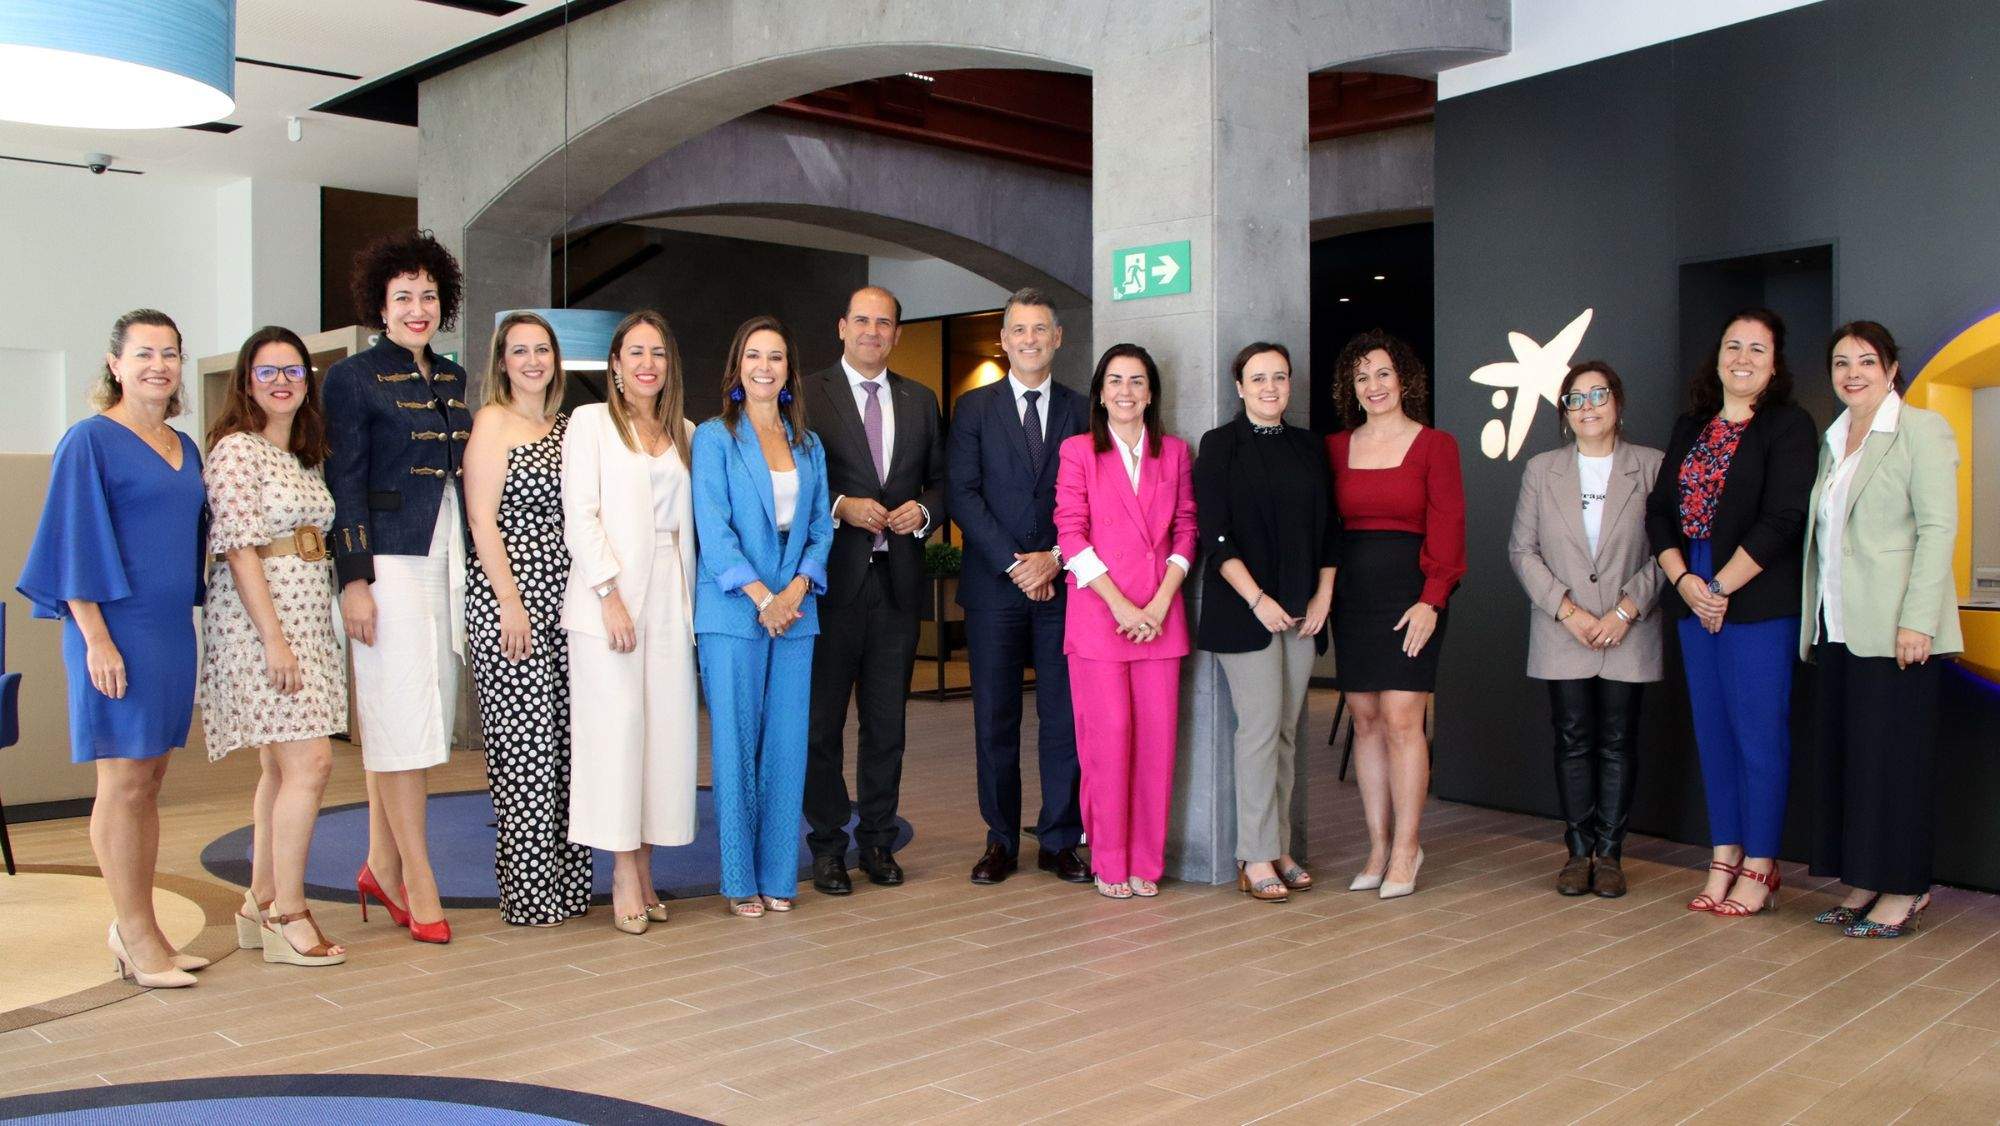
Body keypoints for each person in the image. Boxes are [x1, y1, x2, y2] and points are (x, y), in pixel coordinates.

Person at [18, 309, 208, 987]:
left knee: (149, 781)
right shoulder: (90, 440)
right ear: (115, 365)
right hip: (112, 631)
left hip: (167, 632)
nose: (159, 364)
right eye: (144, 353)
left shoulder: (184, 446)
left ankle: (144, 926)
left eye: (171, 354)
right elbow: (71, 544)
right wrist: (96, 638)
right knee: (122, 781)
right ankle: (132, 932)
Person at [324, 230, 473, 944]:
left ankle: (380, 862)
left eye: (429, 296)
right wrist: (353, 581)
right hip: (386, 567)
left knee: (415, 720)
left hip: (444, 559)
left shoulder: (452, 377)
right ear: (379, 306)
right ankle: (419, 878)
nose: (418, 308)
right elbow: (343, 486)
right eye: (404, 297)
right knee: (403, 727)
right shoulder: (351, 380)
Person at [1645, 307, 1817, 918]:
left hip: (1755, 599)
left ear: (1775, 364)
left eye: (1757, 349)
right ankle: (1723, 856)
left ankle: (1762, 866)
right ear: (1717, 356)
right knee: (1713, 735)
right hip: (1693, 591)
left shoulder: (1789, 427)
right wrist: (1685, 580)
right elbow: (1659, 511)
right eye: (1733, 345)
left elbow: (1783, 519)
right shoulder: (1691, 424)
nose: (1742, 358)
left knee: (1758, 737)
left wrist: (1717, 586)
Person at [1802, 322, 1961, 938]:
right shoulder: (1835, 437)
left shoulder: (1920, 429)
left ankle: (1907, 888)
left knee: (1897, 763)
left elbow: (1937, 529)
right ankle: (1867, 879)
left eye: (1867, 361)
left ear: (1892, 369)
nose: (1853, 373)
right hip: (1839, 626)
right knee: (1856, 762)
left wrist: (1918, 619)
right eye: (1841, 362)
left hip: (1899, 631)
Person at [201, 326, 348, 967]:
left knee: (279, 769)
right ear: (246, 380)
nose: (283, 380)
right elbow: (239, 548)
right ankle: (291, 912)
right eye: (268, 371)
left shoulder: (302, 454)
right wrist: (274, 642)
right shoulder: (237, 450)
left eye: (294, 370)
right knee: (311, 765)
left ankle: (258, 900)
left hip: (309, 618)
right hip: (264, 624)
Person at [802, 286, 946, 895]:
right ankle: (829, 847)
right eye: (861, 320)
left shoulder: (920, 400)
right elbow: (797, 477)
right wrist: (839, 505)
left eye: (883, 322)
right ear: (841, 327)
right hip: (833, 583)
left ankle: (879, 843)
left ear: (896, 334)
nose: (872, 331)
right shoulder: (808, 392)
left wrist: (925, 512)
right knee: (822, 726)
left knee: (887, 724)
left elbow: (941, 482)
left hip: (897, 584)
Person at [561, 310, 698, 934]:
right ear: (615, 364)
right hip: (608, 594)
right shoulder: (590, 424)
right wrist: (608, 593)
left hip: (672, 589)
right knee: (616, 733)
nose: (647, 364)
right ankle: (619, 870)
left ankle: (644, 868)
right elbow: (579, 515)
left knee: (662, 736)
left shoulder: (686, 433)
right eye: (635, 352)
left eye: (659, 354)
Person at [692, 315, 834, 917]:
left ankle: (779, 873)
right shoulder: (713, 437)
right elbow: (714, 530)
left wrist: (796, 589)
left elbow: (822, 525)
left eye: (775, 358)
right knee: (737, 743)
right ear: (737, 366)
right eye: (754, 356)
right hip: (733, 611)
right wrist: (762, 598)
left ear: (788, 372)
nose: (764, 367)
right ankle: (737, 878)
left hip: (796, 611)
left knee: (786, 746)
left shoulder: (809, 443)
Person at [948, 287, 1090, 886]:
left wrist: (1055, 558)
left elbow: (1093, 497)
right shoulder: (974, 409)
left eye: (1040, 330)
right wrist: (1016, 562)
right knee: (995, 721)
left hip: (1064, 587)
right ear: (1004, 340)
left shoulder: (1084, 410)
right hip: (994, 590)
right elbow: (963, 495)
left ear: (1057, 338)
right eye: (1019, 331)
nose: (1030, 340)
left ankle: (1059, 839)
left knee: (1064, 720)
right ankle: (1000, 839)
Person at [1507, 361, 1664, 898]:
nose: (1589, 406)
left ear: (1618, 404)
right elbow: (1522, 551)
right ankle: (1577, 853)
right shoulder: (1541, 469)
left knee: (1619, 741)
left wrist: (1625, 611)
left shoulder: (1652, 466)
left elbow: (1670, 552)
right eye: (1576, 399)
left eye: (1599, 395)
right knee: (1572, 739)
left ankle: (1612, 855)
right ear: (1564, 413)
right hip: (1562, 629)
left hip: (1630, 629)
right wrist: (1567, 610)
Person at [1194, 342, 1336, 904]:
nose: (1270, 387)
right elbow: (1215, 532)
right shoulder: (1220, 445)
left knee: (1284, 731)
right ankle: (1253, 854)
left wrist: (1323, 596)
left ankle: (1276, 844)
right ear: (1239, 387)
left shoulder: (1308, 447)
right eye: (1259, 378)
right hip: (1243, 609)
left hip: (1303, 609)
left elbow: (1331, 529)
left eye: (1280, 377)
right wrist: (1257, 599)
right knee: (1257, 730)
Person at [1053, 344, 1196, 899]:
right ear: (1100, 391)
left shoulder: (1176, 453)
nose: (1126, 392)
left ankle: (1146, 863)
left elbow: (1186, 529)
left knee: (1157, 745)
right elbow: (1070, 533)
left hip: (1161, 618)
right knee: (1107, 740)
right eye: (1115, 381)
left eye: (1137, 381)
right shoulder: (1078, 451)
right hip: (1099, 617)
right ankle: (1109, 860)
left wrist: (1159, 604)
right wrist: (1121, 606)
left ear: (1151, 392)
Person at [1327, 330, 1465, 900]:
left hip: (1413, 596)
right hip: (1353, 598)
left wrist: (1433, 599)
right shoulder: (1335, 448)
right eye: (1362, 377)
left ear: (1403, 379)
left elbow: (1450, 526)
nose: (1374, 385)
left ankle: (1408, 847)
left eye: (1383, 373)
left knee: (1404, 717)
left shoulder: (1436, 445)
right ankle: (1378, 845)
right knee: (1365, 718)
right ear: (1350, 389)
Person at [466, 312, 591, 928]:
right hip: (511, 604)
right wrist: (510, 602)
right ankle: (531, 897)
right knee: (524, 756)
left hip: (566, 605)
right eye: (520, 351)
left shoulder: (569, 425)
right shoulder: (492, 422)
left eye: (542, 349)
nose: (533, 361)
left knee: (567, 750)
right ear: (503, 362)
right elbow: (481, 520)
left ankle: (570, 889)